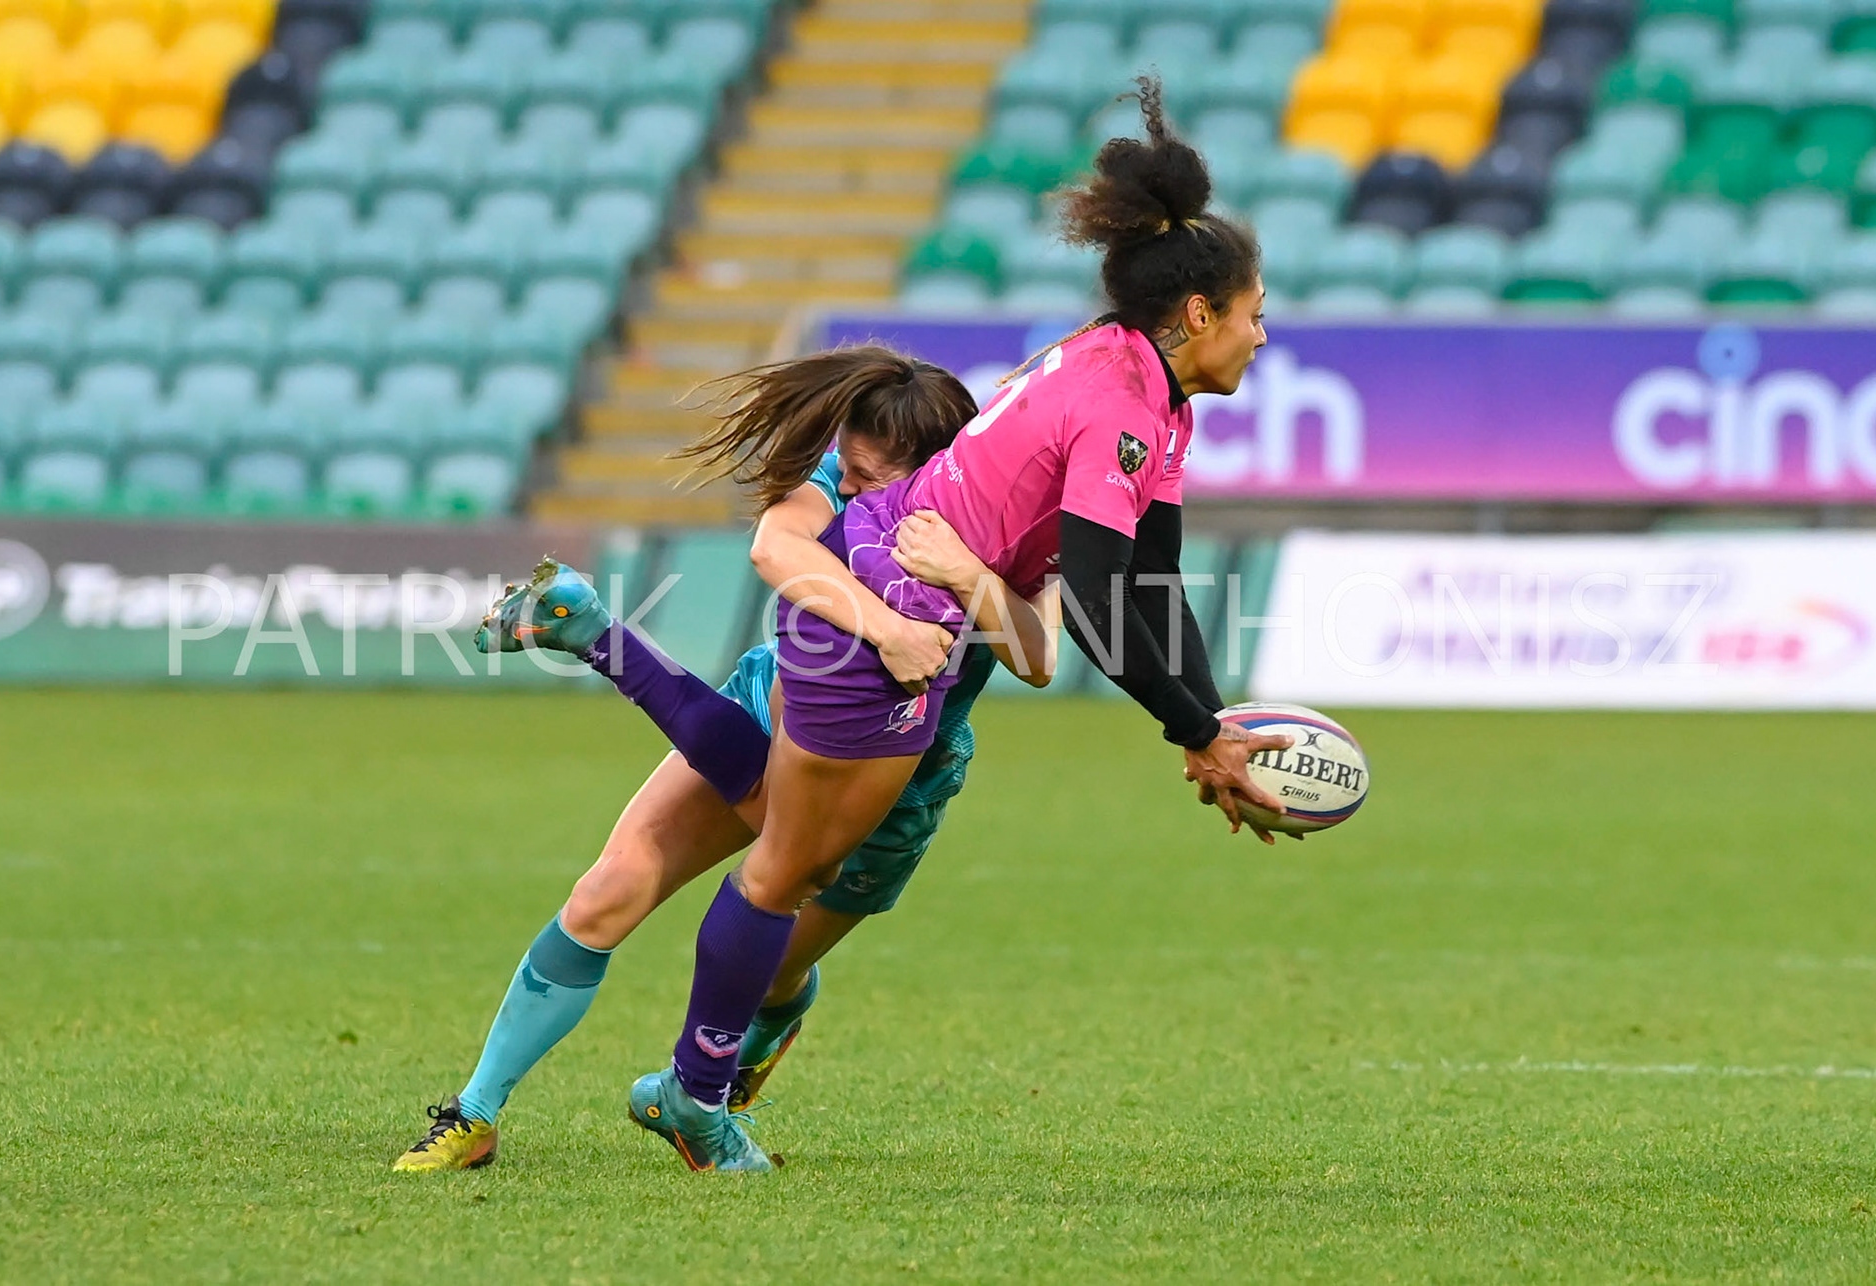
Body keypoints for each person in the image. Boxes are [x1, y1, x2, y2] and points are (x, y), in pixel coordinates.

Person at [626, 78, 1295, 1176]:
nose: (1262, 335)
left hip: (925, 615)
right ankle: (690, 1095)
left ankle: (704, 1072)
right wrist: (1194, 731)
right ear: (1197, 315)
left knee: (816, 873)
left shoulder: (1143, 385)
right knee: (784, 870)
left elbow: (1151, 582)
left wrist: (1208, 724)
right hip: (889, 614)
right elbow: (1095, 605)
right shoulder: (1121, 405)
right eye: (1254, 312)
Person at [392, 347, 1058, 1172]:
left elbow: (1037, 656)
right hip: (776, 703)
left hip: (900, 780)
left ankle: (742, 1053)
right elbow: (775, 544)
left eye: (868, 479)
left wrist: (966, 574)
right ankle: (476, 1112)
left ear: (934, 471)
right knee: (607, 891)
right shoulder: (837, 478)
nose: (850, 492)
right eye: (846, 472)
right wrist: (888, 628)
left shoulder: (1008, 518)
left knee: (771, 970)